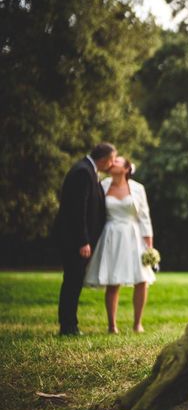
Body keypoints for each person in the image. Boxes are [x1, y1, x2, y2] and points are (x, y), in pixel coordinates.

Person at [84, 156, 155, 334]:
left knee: (141, 279)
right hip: (110, 235)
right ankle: (112, 325)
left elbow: (144, 217)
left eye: (117, 161)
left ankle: (137, 323)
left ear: (126, 169)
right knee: (113, 280)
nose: (112, 162)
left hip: (133, 235)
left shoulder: (138, 189)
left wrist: (149, 246)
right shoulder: (103, 185)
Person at [55, 142, 117, 335]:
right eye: (113, 159)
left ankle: (70, 324)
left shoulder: (88, 170)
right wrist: (83, 241)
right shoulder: (83, 172)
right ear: (105, 158)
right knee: (72, 281)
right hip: (75, 240)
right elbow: (77, 210)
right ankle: (68, 326)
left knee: (74, 280)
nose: (113, 163)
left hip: (78, 239)